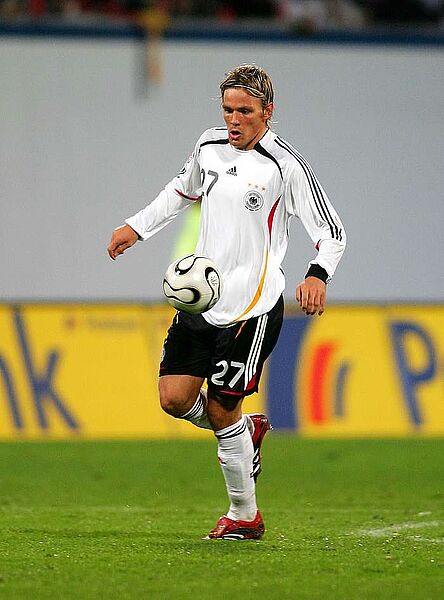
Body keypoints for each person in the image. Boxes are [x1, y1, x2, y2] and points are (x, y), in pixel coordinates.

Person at [107, 64, 346, 540]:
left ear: (267, 112)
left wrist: (317, 274)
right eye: (228, 110)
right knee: (174, 399)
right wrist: (136, 227)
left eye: (244, 111)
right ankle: (245, 431)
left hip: (252, 310)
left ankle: (244, 514)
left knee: (220, 409)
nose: (233, 120)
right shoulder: (209, 145)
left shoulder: (286, 167)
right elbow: (180, 191)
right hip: (202, 302)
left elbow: (331, 230)